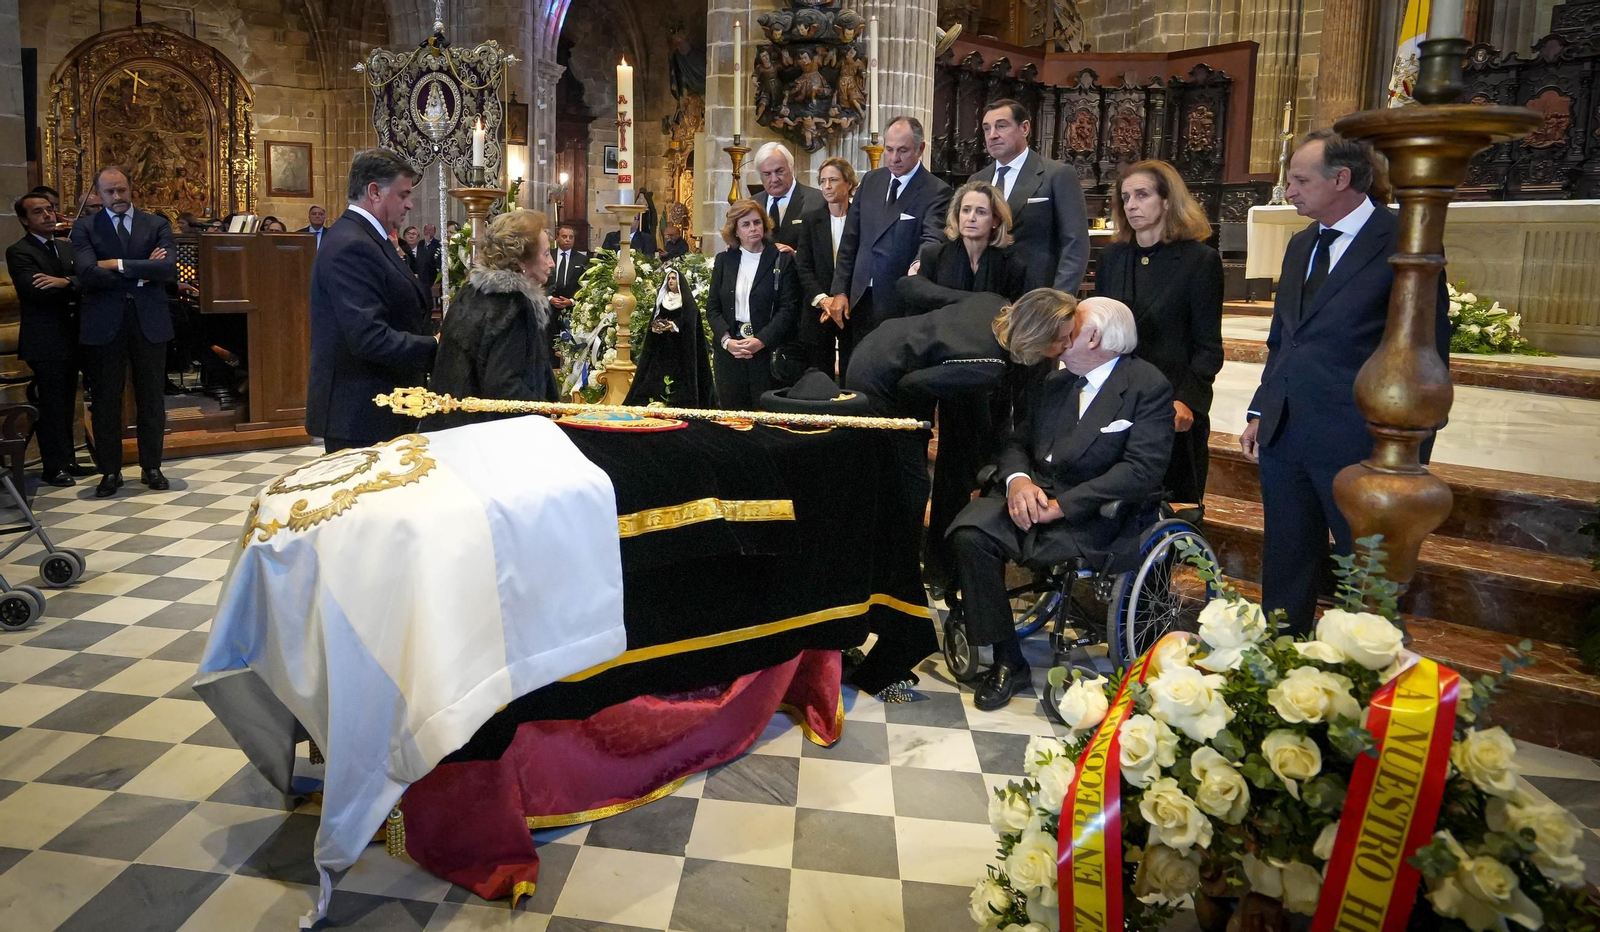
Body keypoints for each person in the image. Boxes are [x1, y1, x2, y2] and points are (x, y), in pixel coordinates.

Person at [1239, 129, 1451, 634]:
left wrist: (1413, 448)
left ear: (1342, 178)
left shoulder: (1403, 241)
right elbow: (1282, 339)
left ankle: (1366, 678)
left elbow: (1427, 350)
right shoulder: (1299, 245)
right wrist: (1261, 408)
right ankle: (1278, 670)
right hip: (1287, 430)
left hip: (1360, 441)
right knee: (1288, 561)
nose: (1288, 191)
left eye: (1299, 180)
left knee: (1366, 574)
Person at [948, 293, 1174, 709]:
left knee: (1023, 531)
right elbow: (1015, 442)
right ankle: (1007, 659)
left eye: (1069, 332)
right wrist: (1017, 481)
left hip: (1094, 511)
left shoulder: (1146, 385)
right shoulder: (1055, 382)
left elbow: (1142, 469)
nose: (1059, 339)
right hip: (1033, 496)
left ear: (1094, 338)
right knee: (969, 535)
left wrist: (1063, 505)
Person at [1095, 160, 1223, 506]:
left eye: (1142, 195)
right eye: (1125, 197)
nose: (1132, 204)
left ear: (1167, 201)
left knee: (1172, 508)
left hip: (1172, 403)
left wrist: (1188, 401)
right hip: (1119, 398)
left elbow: (1208, 347)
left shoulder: (1200, 261)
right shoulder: (1112, 257)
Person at [306, 149, 437, 454]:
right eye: (403, 194)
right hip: (361, 412)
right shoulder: (352, 244)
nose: (410, 203)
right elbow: (369, 337)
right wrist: (436, 345)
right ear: (374, 191)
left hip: (381, 405)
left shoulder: (369, 237)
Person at [71, 167, 177, 496]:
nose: (117, 197)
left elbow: (167, 268)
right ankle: (110, 471)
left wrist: (115, 265)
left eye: (121, 190)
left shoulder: (156, 224)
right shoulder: (85, 227)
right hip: (104, 323)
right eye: (109, 192)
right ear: (98, 195)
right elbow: (87, 273)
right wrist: (142, 269)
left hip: (149, 320)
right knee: (105, 400)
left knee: (151, 398)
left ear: (131, 189)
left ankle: (152, 466)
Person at [426, 210, 559, 431]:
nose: (552, 263)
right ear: (521, 261)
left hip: (452, 424)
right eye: (545, 254)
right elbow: (505, 386)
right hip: (487, 437)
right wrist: (547, 414)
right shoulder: (512, 305)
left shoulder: (471, 290)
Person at [827, 116, 952, 350]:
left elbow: (932, 238)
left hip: (897, 299)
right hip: (858, 297)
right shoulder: (872, 180)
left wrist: (918, 263)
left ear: (920, 149)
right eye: (889, 149)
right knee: (852, 370)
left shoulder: (936, 191)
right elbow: (850, 240)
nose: (894, 158)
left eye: (903, 151)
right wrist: (840, 291)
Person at [7, 193, 94, 486]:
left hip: (72, 337)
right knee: (52, 404)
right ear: (24, 220)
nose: (48, 215)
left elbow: (86, 281)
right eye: (38, 212)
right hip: (45, 339)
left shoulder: (65, 247)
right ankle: (53, 466)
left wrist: (66, 282)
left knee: (69, 402)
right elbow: (37, 291)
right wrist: (71, 285)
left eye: (50, 209)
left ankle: (69, 459)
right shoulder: (20, 251)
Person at [969, 99, 1091, 293]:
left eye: (1001, 126)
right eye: (986, 129)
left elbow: (1075, 243)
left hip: (1037, 295)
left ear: (1024, 128)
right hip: (984, 295)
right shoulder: (977, 180)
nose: (992, 135)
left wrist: (1060, 300)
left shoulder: (1057, 175)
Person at [706, 198, 800, 409]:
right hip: (730, 352)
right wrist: (726, 341)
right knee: (732, 418)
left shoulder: (781, 259)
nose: (753, 229)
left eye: (757, 222)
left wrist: (761, 340)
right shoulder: (724, 260)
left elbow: (789, 308)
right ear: (735, 231)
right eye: (746, 224)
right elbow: (713, 308)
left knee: (765, 416)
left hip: (766, 351)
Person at [898, 180, 1028, 313]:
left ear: (995, 220)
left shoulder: (1012, 265)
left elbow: (1015, 319)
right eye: (966, 210)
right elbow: (918, 310)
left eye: (981, 212)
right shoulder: (933, 256)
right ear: (957, 215)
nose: (971, 218)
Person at [794, 157, 855, 375]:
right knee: (819, 375)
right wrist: (823, 300)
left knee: (853, 372)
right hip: (818, 310)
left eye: (833, 180)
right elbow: (803, 265)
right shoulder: (811, 219)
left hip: (852, 308)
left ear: (849, 183)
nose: (827, 186)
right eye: (823, 181)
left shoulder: (861, 218)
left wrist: (843, 297)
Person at [624, 268, 714, 408]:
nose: (671, 281)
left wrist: (674, 325)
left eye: (673, 278)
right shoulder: (662, 299)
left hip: (682, 349)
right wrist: (657, 326)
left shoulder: (687, 301)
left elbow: (690, 322)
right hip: (662, 348)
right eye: (669, 278)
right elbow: (656, 317)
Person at [752, 141, 825, 250]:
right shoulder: (752, 204)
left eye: (779, 171)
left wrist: (794, 255)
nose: (774, 179)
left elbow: (823, 249)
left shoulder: (818, 201)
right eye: (767, 174)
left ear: (791, 168)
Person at [548, 221, 589, 320]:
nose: (568, 240)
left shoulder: (581, 259)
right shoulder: (548, 255)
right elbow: (539, 280)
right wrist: (549, 298)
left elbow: (585, 283)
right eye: (564, 236)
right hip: (548, 306)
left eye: (571, 237)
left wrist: (572, 300)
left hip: (571, 307)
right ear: (557, 238)